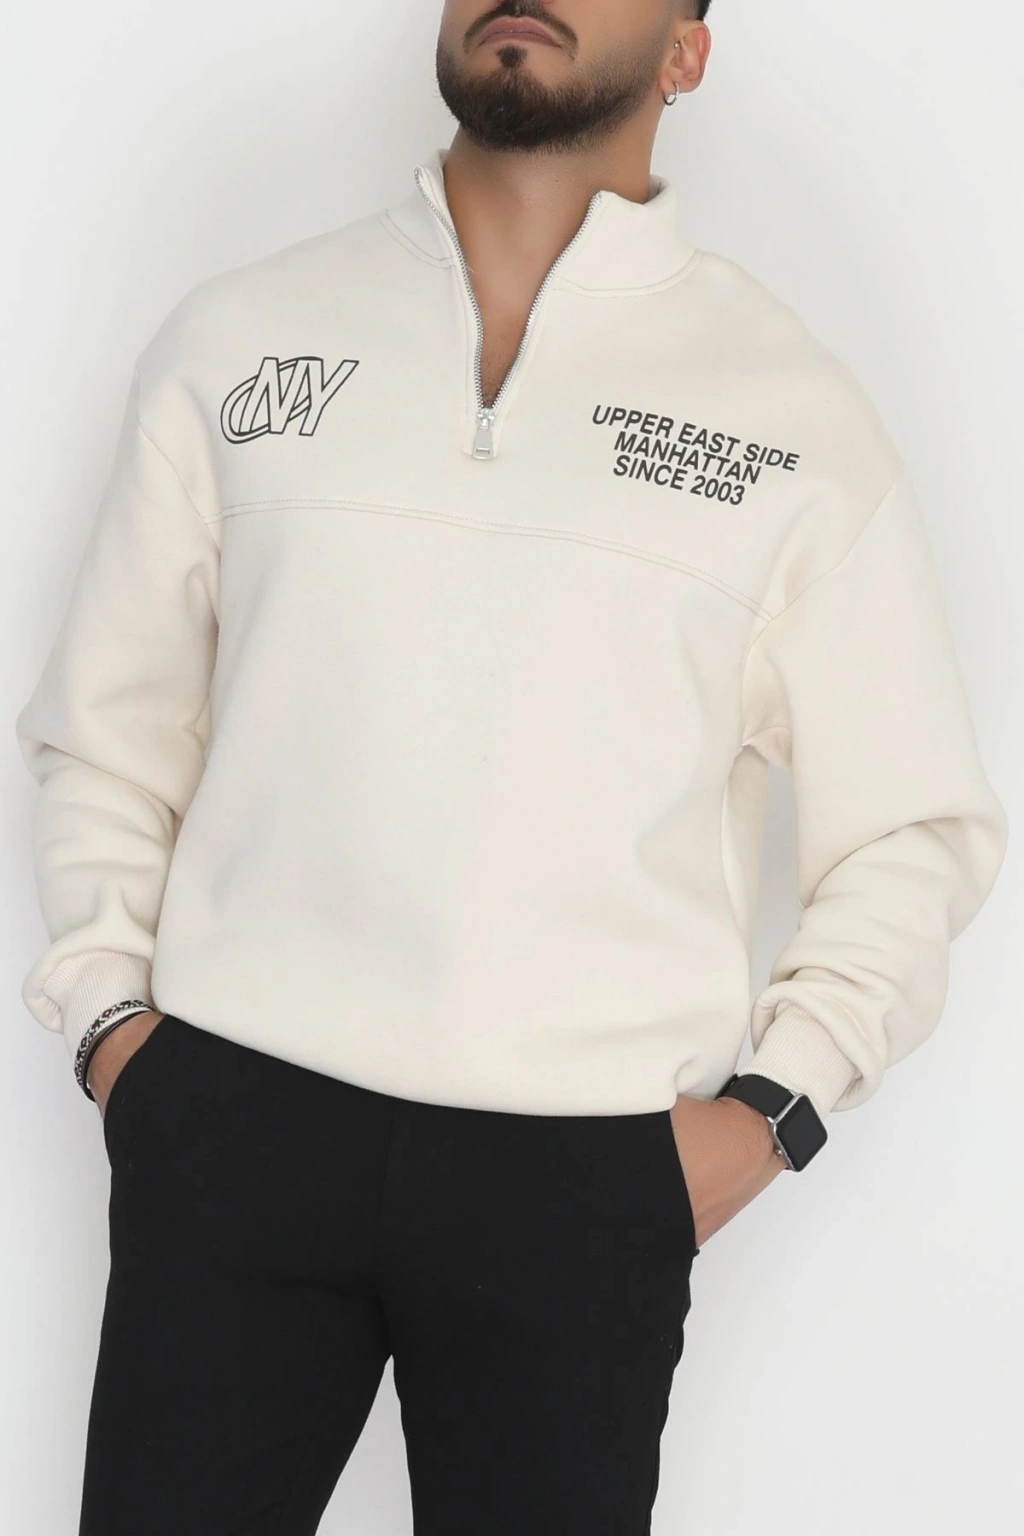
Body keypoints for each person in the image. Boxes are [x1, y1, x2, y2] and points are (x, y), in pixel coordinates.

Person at [14, 3, 1008, 1533]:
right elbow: (110, 727)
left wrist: (772, 1111)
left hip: (579, 1180)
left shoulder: (790, 420)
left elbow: (912, 827)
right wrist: (110, 1028)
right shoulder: (240, 339)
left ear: (685, 54)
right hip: (234, 1125)